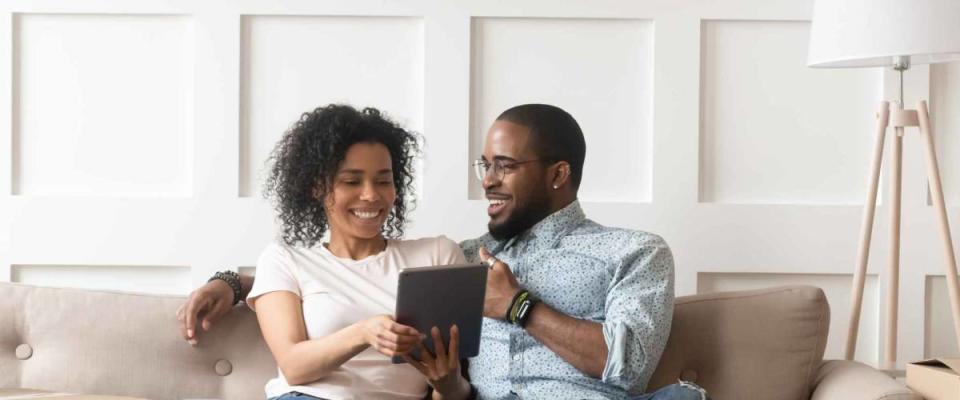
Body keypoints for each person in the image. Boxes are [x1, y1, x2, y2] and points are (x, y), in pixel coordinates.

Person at [178, 104, 709, 400]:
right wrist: (233, 282)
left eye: (504, 166)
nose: (488, 183)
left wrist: (517, 306)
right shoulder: (468, 257)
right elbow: (319, 280)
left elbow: (629, 368)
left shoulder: (633, 251)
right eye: (485, 166)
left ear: (558, 174)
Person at [225, 104, 470, 399]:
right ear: (317, 187)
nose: (371, 194)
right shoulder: (285, 260)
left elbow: (452, 389)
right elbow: (293, 365)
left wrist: (448, 384)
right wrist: (364, 333)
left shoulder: (438, 256)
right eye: (351, 181)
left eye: (383, 180)